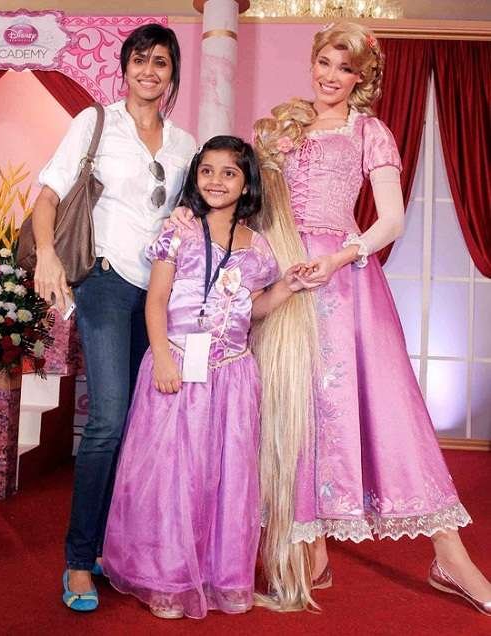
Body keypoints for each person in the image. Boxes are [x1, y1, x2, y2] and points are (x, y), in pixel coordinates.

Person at [170, 21, 491, 616]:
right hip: (283, 279)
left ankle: (451, 556)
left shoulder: (369, 130)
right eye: (325, 62)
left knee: (390, 413)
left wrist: (340, 257)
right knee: (290, 413)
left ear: (361, 78)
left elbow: (391, 220)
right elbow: (240, 199)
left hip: (344, 283)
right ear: (312, 62)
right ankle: (309, 553)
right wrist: (189, 218)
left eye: (346, 68)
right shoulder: (279, 127)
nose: (331, 76)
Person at [101, 135, 313, 620]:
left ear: (247, 184)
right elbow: (157, 301)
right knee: (171, 474)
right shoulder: (177, 232)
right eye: (207, 171)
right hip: (176, 365)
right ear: (195, 177)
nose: (216, 181)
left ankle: (217, 574)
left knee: (224, 476)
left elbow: (253, 308)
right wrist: (162, 357)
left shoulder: (258, 248)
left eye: (229, 173)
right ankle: (167, 578)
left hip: (232, 375)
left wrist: (287, 287)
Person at [31, 23, 196, 611]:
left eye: (161, 62)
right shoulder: (95, 122)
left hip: (158, 295)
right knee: (106, 420)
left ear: (173, 73)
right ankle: (79, 559)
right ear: (124, 67)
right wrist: (47, 254)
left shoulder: (185, 144)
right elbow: (48, 195)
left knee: (137, 424)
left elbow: (191, 213)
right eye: (140, 60)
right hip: (104, 281)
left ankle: (111, 545)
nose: (149, 70)